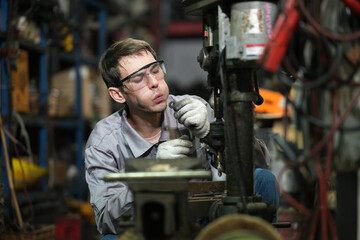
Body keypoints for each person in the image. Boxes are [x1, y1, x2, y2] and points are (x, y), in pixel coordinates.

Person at [84, 38, 279, 239]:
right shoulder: (104, 140)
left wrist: (209, 134)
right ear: (118, 95)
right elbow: (106, 219)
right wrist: (155, 174)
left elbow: (259, 163)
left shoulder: (193, 110)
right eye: (138, 78)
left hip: (200, 224)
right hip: (150, 229)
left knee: (263, 179)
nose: (153, 83)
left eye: (155, 70)